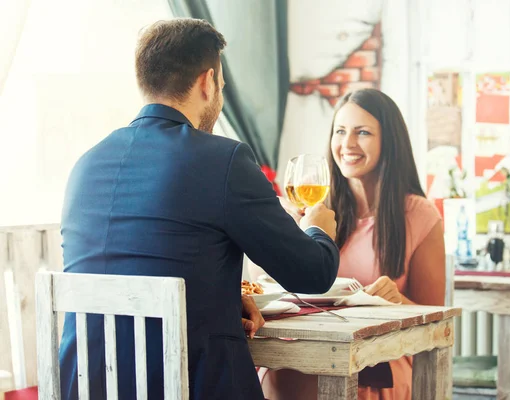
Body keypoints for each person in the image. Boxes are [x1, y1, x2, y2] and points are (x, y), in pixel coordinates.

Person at [58, 18, 339, 400]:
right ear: (207, 82)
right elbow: (312, 273)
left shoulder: (85, 166)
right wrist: (318, 228)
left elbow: (127, 269)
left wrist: (218, 294)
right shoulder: (223, 159)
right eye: (221, 86)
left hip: (88, 387)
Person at [253, 88, 445, 400]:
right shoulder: (319, 215)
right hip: (310, 347)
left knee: (286, 382)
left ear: (389, 141)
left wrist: (398, 301)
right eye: (340, 131)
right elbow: (284, 288)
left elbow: (437, 322)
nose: (348, 144)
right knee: (273, 374)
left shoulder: (419, 216)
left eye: (363, 132)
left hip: (381, 357)